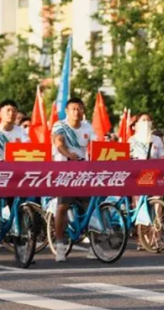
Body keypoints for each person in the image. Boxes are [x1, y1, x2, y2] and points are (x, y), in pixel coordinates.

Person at [51, 97, 94, 262]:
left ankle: (94, 245)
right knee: (63, 206)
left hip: (83, 171)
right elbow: (59, 143)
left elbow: (97, 144)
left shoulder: (88, 127)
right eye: (73, 108)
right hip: (65, 170)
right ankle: (60, 244)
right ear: (67, 111)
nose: (77, 111)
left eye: (80, 108)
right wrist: (69, 155)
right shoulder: (60, 126)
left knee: (90, 207)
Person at [0, 100, 29, 230]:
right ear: (0, 113)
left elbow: (27, 147)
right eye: (8, 110)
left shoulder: (21, 131)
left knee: (17, 193)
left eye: (14, 111)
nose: (11, 113)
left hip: (15, 169)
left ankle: (16, 220)